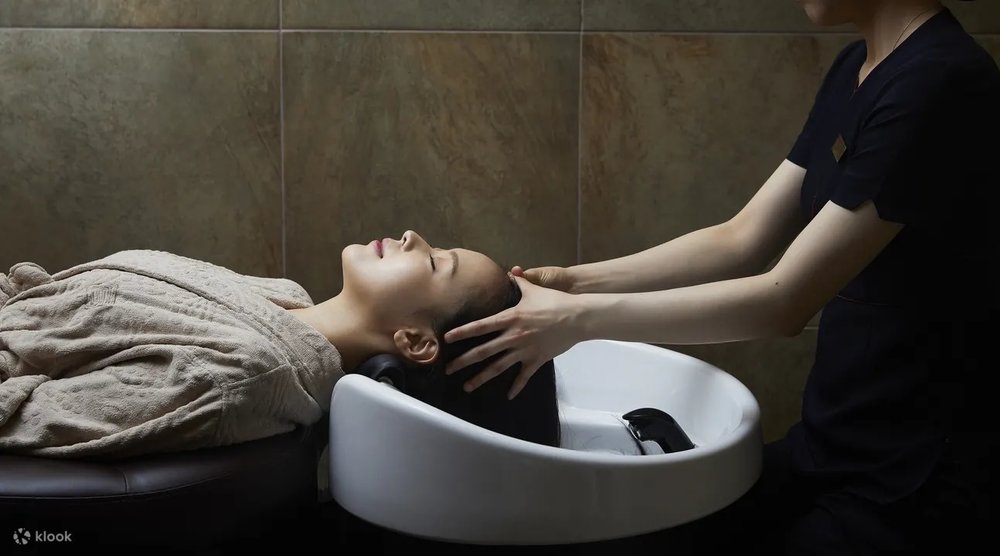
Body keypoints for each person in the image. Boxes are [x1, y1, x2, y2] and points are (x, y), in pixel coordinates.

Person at [443, 0, 998, 553]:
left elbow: (785, 302)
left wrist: (580, 321)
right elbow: (740, 239)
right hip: (833, 443)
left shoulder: (941, 84)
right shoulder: (860, 66)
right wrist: (576, 282)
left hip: (913, 476)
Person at [0, 230, 558, 460]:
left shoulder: (245, 378)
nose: (414, 238)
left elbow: (28, 416)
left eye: (436, 264)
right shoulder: (280, 298)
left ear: (415, 341)